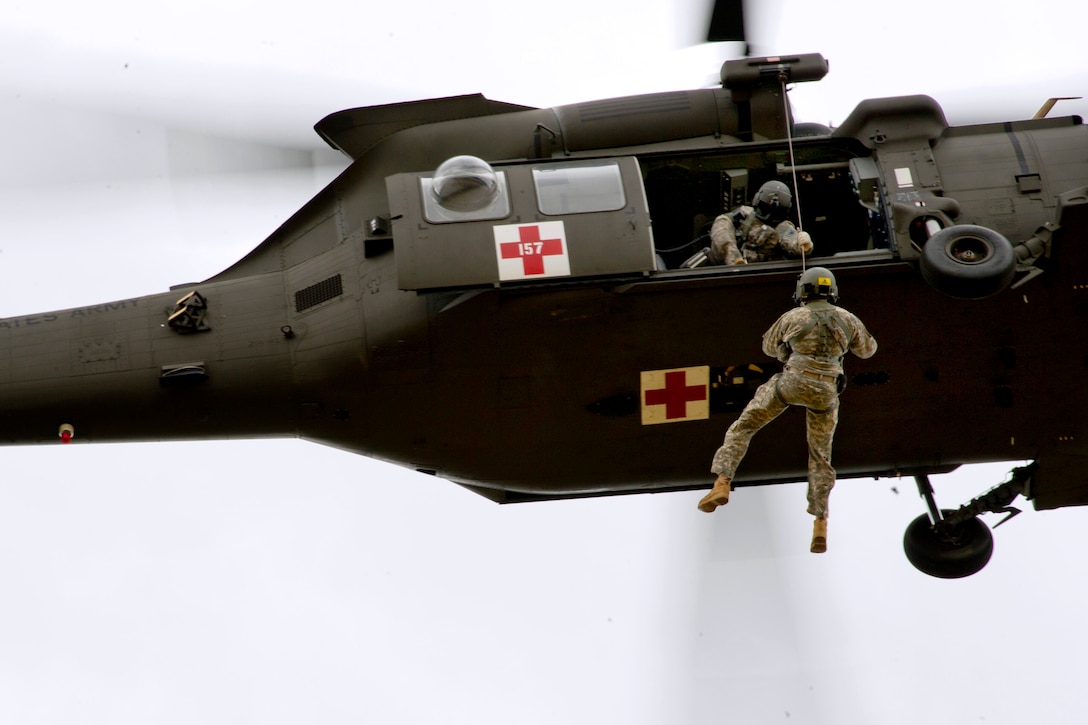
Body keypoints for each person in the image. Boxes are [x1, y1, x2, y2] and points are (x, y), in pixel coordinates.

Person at [697, 266, 877, 554]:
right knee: (820, 456)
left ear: (802, 291)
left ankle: (722, 482)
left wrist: (788, 349)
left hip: (791, 383)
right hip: (826, 392)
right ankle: (820, 523)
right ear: (832, 291)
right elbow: (868, 350)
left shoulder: (794, 317)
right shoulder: (848, 319)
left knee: (744, 426)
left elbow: (769, 348)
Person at [707, 180, 813, 265]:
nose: (769, 216)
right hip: (735, 269)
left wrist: (804, 243)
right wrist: (735, 260)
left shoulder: (783, 226)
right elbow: (722, 232)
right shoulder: (743, 215)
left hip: (764, 275)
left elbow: (792, 241)